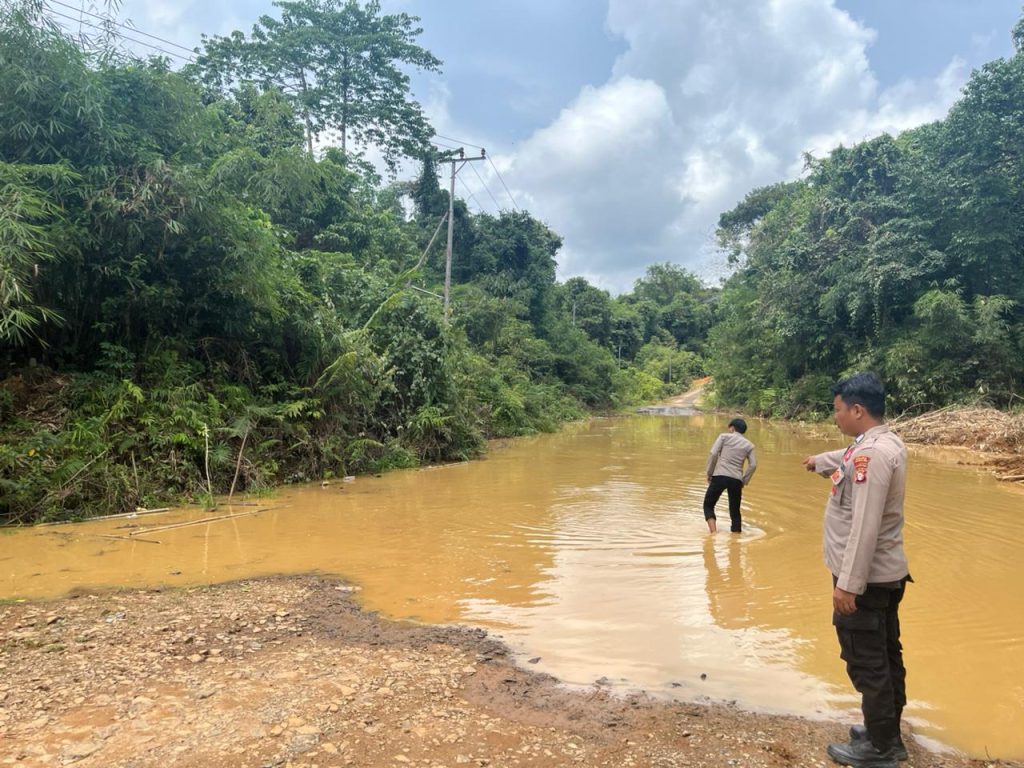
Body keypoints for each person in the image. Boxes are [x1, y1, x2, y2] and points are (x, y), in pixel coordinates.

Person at [802, 372, 911, 768]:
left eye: (838, 410)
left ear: (858, 410)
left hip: (864, 580)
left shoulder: (872, 455)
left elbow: (865, 525)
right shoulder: (879, 443)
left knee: (867, 661)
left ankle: (883, 748)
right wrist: (819, 462)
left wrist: (848, 584)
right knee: (885, 654)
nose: (836, 417)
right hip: (883, 575)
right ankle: (884, 731)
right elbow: (847, 459)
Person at [703, 417, 757, 533]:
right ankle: (736, 538)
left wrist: (709, 473)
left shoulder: (724, 437)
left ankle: (713, 534)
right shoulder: (749, 445)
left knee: (708, 505)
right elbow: (753, 465)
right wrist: (744, 481)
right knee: (735, 511)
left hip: (720, 475)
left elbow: (713, 454)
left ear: (732, 428)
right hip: (736, 479)